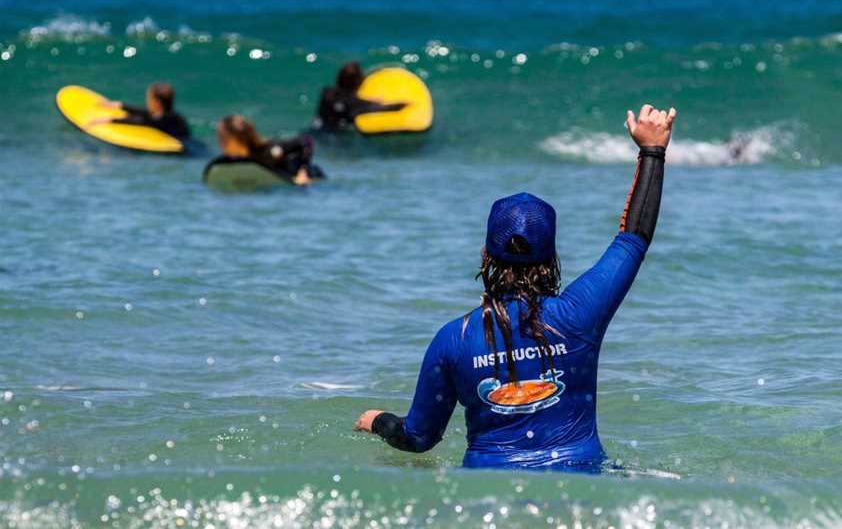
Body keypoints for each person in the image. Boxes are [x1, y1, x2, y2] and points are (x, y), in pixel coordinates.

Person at [355, 104, 677, 472]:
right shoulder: (580, 315)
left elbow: (418, 437)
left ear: (485, 255)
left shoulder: (453, 339)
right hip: (582, 486)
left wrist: (378, 421)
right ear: (551, 257)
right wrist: (653, 150)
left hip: (487, 497)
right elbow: (633, 239)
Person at [213, 115, 323, 185]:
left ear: (234, 139)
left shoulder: (269, 150)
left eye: (222, 138)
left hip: (311, 175)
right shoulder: (242, 159)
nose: (220, 143)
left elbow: (307, 141)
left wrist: (302, 172)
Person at [315, 61, 407, 131]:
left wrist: (364, 100)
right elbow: (385, 108)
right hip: (337, 136)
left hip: (317, 129)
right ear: (359, 82)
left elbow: (344, 99)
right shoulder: (356, 104)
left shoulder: (326, 92)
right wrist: (404, 104)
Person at [89, 83, 190, 140]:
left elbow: (142, 122)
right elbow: (147, 114)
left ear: (157, 102)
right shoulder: (172, 115)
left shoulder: (160, 120)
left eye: (149, 98)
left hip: (184, 149)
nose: (147, 100)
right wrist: (121, 105)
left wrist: (110, 120)